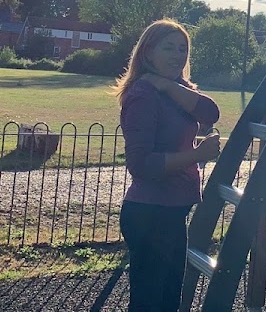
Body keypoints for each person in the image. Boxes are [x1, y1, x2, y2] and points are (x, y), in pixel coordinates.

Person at [115, 19, 222, 312]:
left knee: (168, 300)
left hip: (171, 213)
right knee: (151, 304)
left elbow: (210, 112)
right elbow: (141, 165)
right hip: (150, 215)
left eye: (182, 49)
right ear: (148, 52)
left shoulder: (173, 89)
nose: (178, 55)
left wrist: (166, 84)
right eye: (169, 47)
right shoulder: (142, 96)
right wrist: (197, 155)